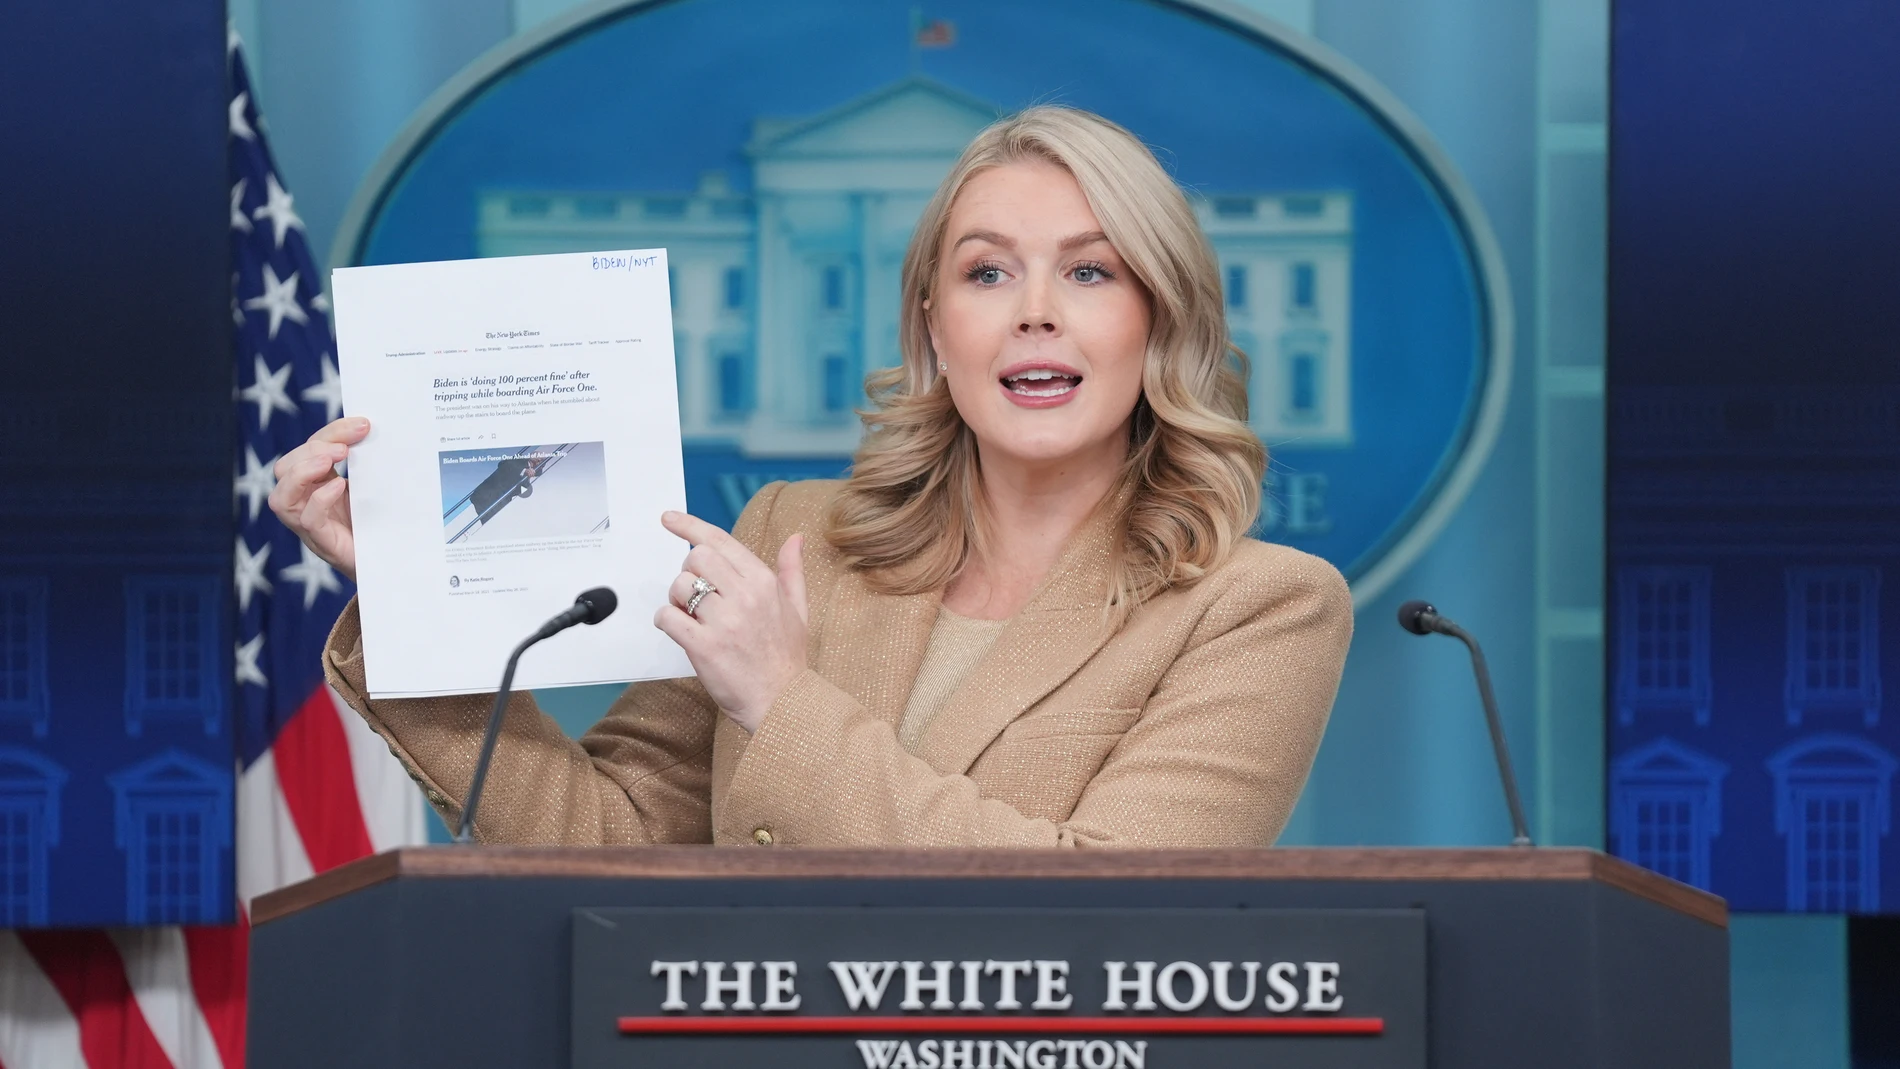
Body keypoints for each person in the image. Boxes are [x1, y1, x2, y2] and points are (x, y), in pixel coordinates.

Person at [270, 105, 1353, 848]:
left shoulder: (1262, 608)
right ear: (934, 327)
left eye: (1088, 269)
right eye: (986, 270)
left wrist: (780, 700)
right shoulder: (794, 537)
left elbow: (1105, 902)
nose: (1035, 308)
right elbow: (612, 836)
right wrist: (416, 588)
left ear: (1155, 315)